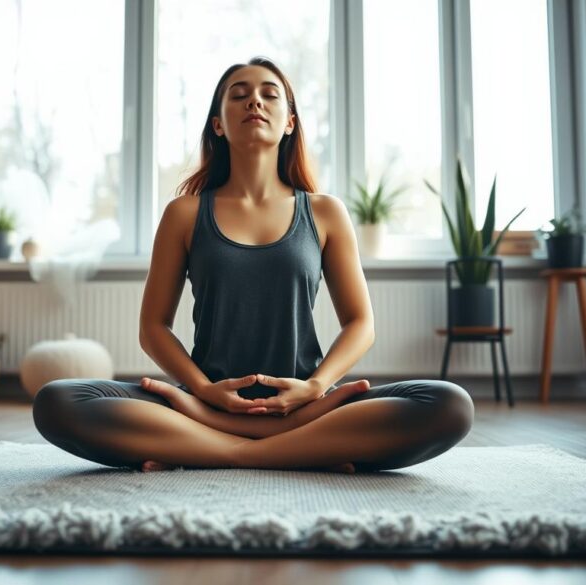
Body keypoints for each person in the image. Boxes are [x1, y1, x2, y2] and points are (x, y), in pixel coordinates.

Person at [32, 57, 473, 473]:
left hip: (305, 408)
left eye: (269, 93)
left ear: (290, 122)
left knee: (449, 405)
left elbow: (361, 323)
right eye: (239, 94)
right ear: (218, 124)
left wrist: (317, 388)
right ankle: (292, 453)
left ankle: (214, 450)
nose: (255, 101)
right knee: (58, 402)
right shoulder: (183, 214)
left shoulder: (325, 212)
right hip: (206, 407)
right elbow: (153, 328)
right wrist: (203, 392)